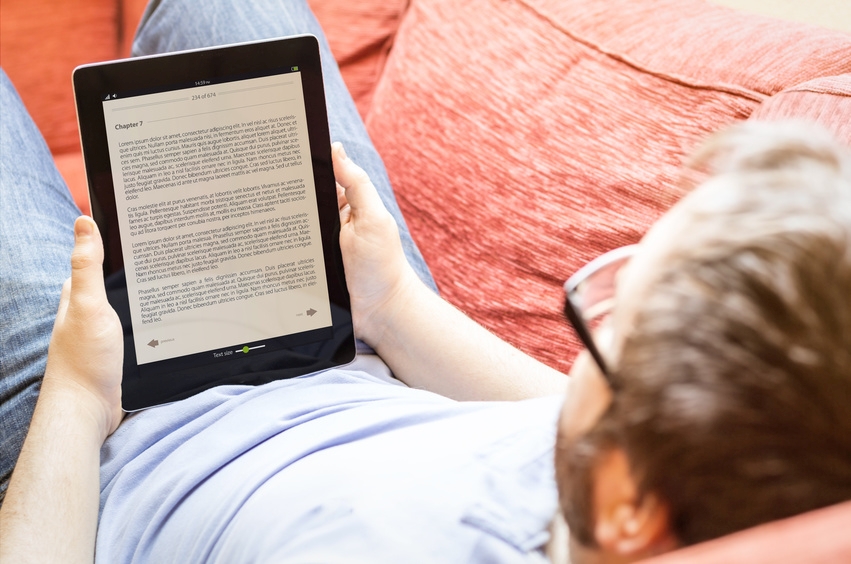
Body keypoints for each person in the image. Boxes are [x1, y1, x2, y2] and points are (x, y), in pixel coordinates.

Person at [2, 2, 851, 564]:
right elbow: (555, 412)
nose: (598, 293)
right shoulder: (651, 462)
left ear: (631, 505)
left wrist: (77, 388)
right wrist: (391, 303)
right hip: (346, 338)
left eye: (612, 317)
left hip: (105, 438)